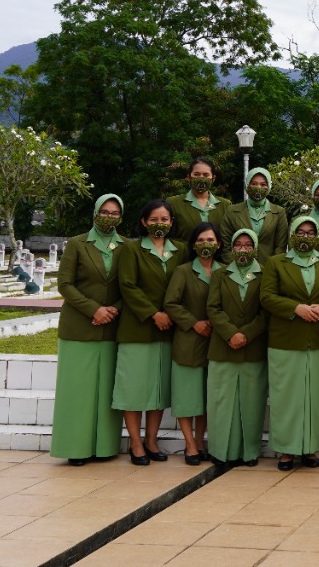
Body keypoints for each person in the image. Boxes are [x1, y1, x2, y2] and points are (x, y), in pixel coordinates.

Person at [51, 194, 125, 466]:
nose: (109, 217)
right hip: (79, 327)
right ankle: (75, 447)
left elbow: (127, 285)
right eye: (104, 212)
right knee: (77, 391)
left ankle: (105, 447)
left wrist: (112, 309)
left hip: (111, 327)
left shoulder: (125, 246)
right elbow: (65, 284)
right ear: (95, 213)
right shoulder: (77, 244)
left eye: (115, 213)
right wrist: (94, 309)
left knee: (106, 392)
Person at [113, 200, 187, 465]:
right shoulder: (131, 250)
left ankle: (151, 440)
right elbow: (128, 286)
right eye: (154, 219)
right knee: (133, 389)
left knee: (158, 389)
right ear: (144, 222)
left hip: (169, 330)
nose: (160, 224)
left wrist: (169, 315)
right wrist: (154, 314)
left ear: (172, 222)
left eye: (165, 219)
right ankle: (135, 443)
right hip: (138, 328)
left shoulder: (180, 250)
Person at [260, 216, 319, 470]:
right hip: (286, 340)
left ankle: (310, 449)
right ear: (292, 235)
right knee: (286, 397)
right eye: (300, 232)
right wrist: (296, 308)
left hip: (318, 339)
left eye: (310, 232)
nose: (305, 237)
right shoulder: (276, 262)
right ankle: (285, 450)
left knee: (314, 397)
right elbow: (267, 297)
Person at [205, 229, 268, 467]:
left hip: (253, 348)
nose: (243, 249)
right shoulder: (220, 274)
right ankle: (220, 452)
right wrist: (231, 333)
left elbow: (266, 310)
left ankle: (249, 452)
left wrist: (247, 334)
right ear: (232, 248)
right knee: (221, 403)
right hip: (224, 347)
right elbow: (213, 308)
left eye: (248, 245)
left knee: (251, 403)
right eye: (238, 245)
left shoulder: (264, 273)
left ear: (255, 248)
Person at [164, 222, 220, 464]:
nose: (205, 245)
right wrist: (194, 323)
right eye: (201, 240)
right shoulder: (184, 271)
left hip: (215, 343)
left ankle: (200, 440)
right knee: (188, 397)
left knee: (206, 398)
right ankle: (189, 445)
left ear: (218, 244)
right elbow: (172, 303)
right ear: (193, 244)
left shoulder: (225, 271)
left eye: (210, 240)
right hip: (188, 340)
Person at [222, 167, 288, 263]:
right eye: (253, 183)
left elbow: (281, 246)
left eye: (263, 184)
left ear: (269, 187)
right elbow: (225, 245)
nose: (258, 187)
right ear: (247, 185)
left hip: (268, 270)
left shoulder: (279, 212)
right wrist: (236, 266)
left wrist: (272, 268)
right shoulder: (232, 211)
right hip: (238, 269)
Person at [166, 157, 228, 242]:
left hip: (217, 255)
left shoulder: (225, 205)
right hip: (184, 254)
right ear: (188, 177)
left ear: (213, 178)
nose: (201, 178)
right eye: (196, 174)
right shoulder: (173, 203)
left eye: (206, 175)